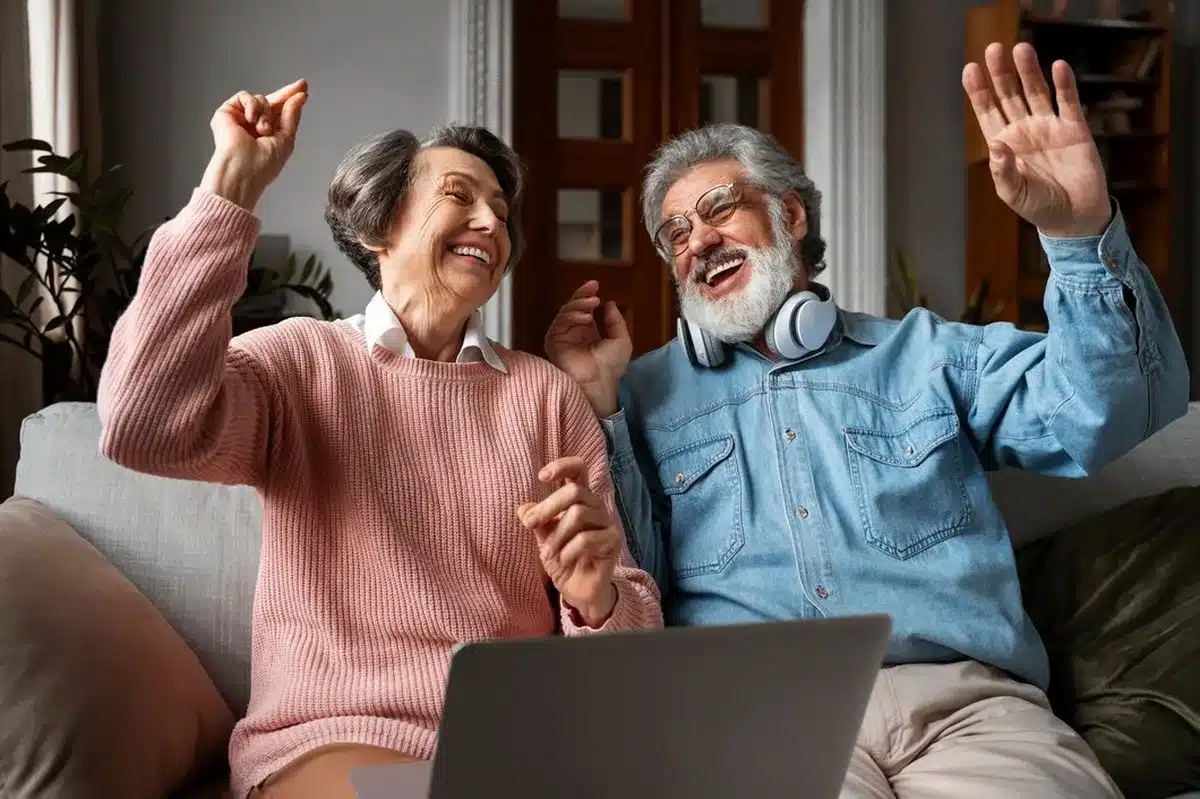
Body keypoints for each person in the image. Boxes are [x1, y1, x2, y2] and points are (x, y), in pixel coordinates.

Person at [546, 42, 1188, 798]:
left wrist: (1078, 234)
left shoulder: (929, 353)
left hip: (968, 710)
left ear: (789, 215)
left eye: (719, 209)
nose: (699, 242)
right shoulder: (641, 394)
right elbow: (632, 591)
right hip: (760, 714)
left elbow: (1105, 414)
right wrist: (599, 403)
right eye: (676, 234)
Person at [96, 78, 662, 799]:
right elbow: (145, 425)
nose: (490, 221)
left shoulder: (543, 394)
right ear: (378, 226)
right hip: (336, 733)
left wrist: (596, 601)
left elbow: (630, 635)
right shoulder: (301, 362)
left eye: (501, 210)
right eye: (459, 195)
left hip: (514, 744)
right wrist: (231, 187)